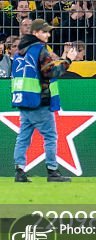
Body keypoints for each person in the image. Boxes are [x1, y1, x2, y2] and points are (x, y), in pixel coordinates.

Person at [11, 19, 71, 183]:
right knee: (50, 136)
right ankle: (52, 171)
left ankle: (19, 170)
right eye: (44, 32)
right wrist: (68, 61)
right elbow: (50, 73)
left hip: (23, 99)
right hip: (39, 100)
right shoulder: (40, 50)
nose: (48, 35)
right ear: (35, 33)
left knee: (23, 137)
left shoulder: (19, 52)